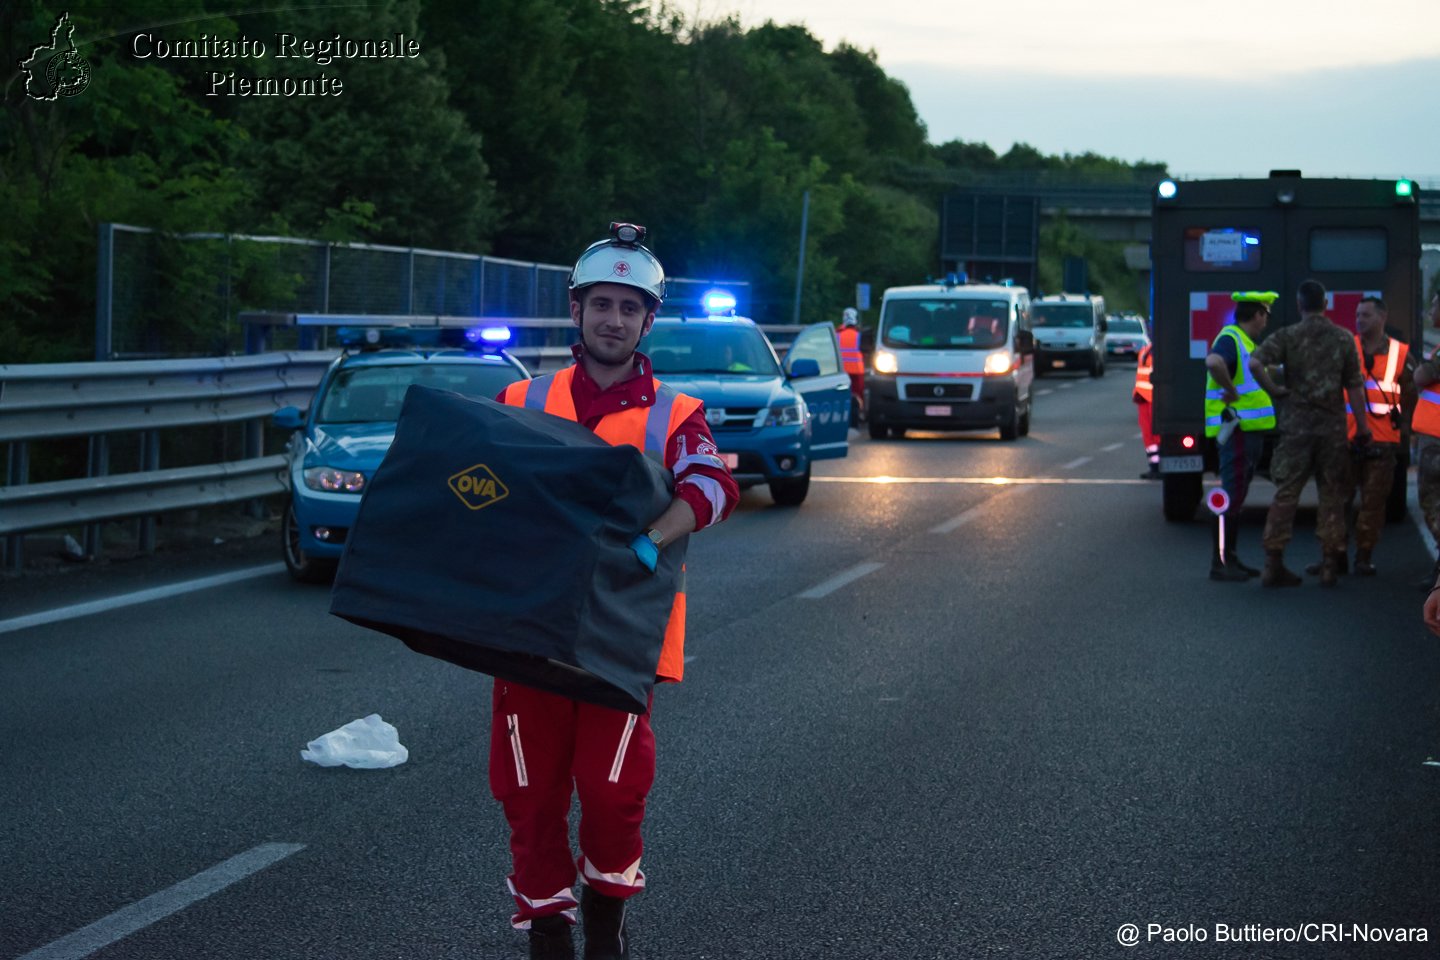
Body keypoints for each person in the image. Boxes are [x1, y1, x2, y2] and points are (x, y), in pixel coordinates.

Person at [491, 223, 740, 960]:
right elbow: (484, 490)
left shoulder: (677, 412)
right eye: (601, 303)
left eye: (630, 308)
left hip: (623, 636)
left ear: (648, 320)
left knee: (610, 790)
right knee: (530, 793)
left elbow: (713, 486)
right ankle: (546, 927)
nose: (614, 319)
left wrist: (649, 541)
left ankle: (606, 913)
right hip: (526, 629)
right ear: (576, 310)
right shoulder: (521, 395)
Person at [1248, 279, 1370, 588]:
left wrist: (1275, 389)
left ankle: (1273, 563)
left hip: (1296, 428)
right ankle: (1330, 564)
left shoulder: (1288, 336)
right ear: (1325, 304)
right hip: (1332, 430)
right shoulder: (1343, 338)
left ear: (1300, 305)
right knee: (1332, 494)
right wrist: (1364, 427)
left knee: (1286, 493)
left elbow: (1254, 362)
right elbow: (1354, 386)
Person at [1306, 296, 1414, 577]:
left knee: (1373, 503)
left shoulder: (1400, 354)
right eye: (1357, 315)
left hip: (1382, 440)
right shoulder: (1345, 347)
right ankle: (1333, 555)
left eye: (1365, 315)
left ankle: (1364, 556)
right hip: (1344, 438)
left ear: (1382, 317)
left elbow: (1411, 395)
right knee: (1335, 500)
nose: (1359, 320)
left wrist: (1405, 432)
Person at [1203, 292, 1276, 580]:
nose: (1265, 322)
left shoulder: (1244, 342)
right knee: (1230, 497)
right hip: (1238, 431)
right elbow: (1213, 362)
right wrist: (1231, 392)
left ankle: (1229, 557)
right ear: (1258, 314)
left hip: (1247, 433)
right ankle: (1220, 562)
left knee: (1236, 497)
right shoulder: (1231, 338)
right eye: (1265, 315)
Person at [1412, 289, 1440, 587]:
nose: (1430, 311)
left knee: (1432, 503)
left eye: (1434, 305)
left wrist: (1421, 367)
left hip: (1436, 438)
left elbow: (1420, 377)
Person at [1133, 340, 1159, 479]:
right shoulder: (1147, 349)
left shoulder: (1161, 350)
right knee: (1148, 434)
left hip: (1156, 399)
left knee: (1156, 435)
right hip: (1144, 398)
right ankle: (1154, 466)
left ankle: (1159, 466)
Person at [838, 307, 865, 426]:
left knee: (842, 397)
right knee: (857, 397)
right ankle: (858, 417)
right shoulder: (859, 335)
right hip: (857, 372)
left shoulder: (837, 335)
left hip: (842, 372)